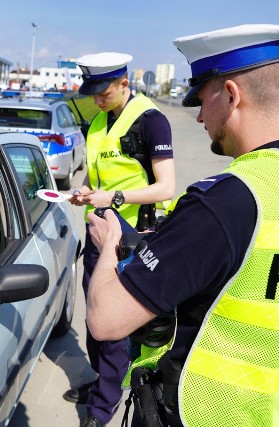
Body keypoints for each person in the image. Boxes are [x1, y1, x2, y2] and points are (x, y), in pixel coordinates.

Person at [86, 24, 279, 426]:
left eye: (202, 99)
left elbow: (104, 318)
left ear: (232, 95)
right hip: (264, 413)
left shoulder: (226, 201)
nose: (200, 115)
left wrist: (110, 239)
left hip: (193, 413)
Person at [66, 52, 176, 427]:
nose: (97, 99)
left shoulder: (151, 122)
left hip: (129, 242)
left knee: (113, 330)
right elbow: (95, 176)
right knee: (94, 323)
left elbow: (167, 186)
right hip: (97, 235)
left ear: (125, 84)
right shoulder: (98, 121)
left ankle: (101, 410)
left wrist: (114, 198)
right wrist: (82, 192)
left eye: (105, 91)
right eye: (92, 92)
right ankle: (100, 384)